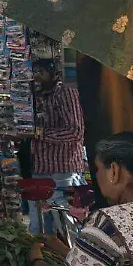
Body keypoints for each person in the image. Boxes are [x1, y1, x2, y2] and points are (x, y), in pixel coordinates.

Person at [28, 132, 133, 266]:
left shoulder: (109, 220)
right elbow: (106, 264)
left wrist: (36, 262)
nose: (97, 176)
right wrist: (62, 249)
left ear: (114, 171)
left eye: (98, 169)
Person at [29, 59, 87, 232]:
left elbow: (75, 131)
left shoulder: (65, 93)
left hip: (63, 172)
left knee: (68, 228)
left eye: (40, 72)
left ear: (52, 72)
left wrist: (39, 134)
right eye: (34, 72)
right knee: (40, 228)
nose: (36, 76)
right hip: (41, 171)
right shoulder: (40, 96)